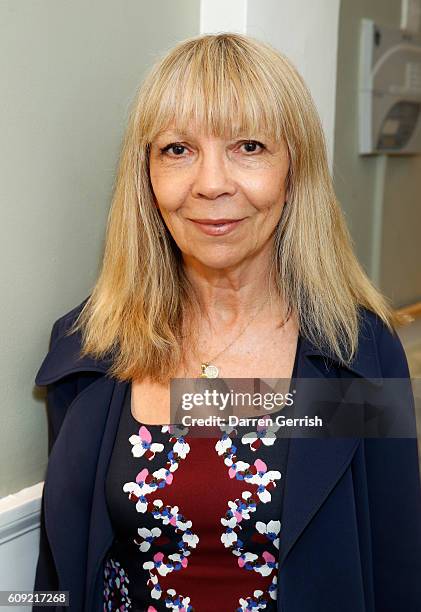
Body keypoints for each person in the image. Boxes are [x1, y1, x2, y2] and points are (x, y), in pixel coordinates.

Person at [33, 33, 421, 612]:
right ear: (145, 178)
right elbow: (55, 585)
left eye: (248, 145)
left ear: (296, 169)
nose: (211, 184)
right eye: (176, 150)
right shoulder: (90, 350)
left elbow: (396, 568)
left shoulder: (358, 351)